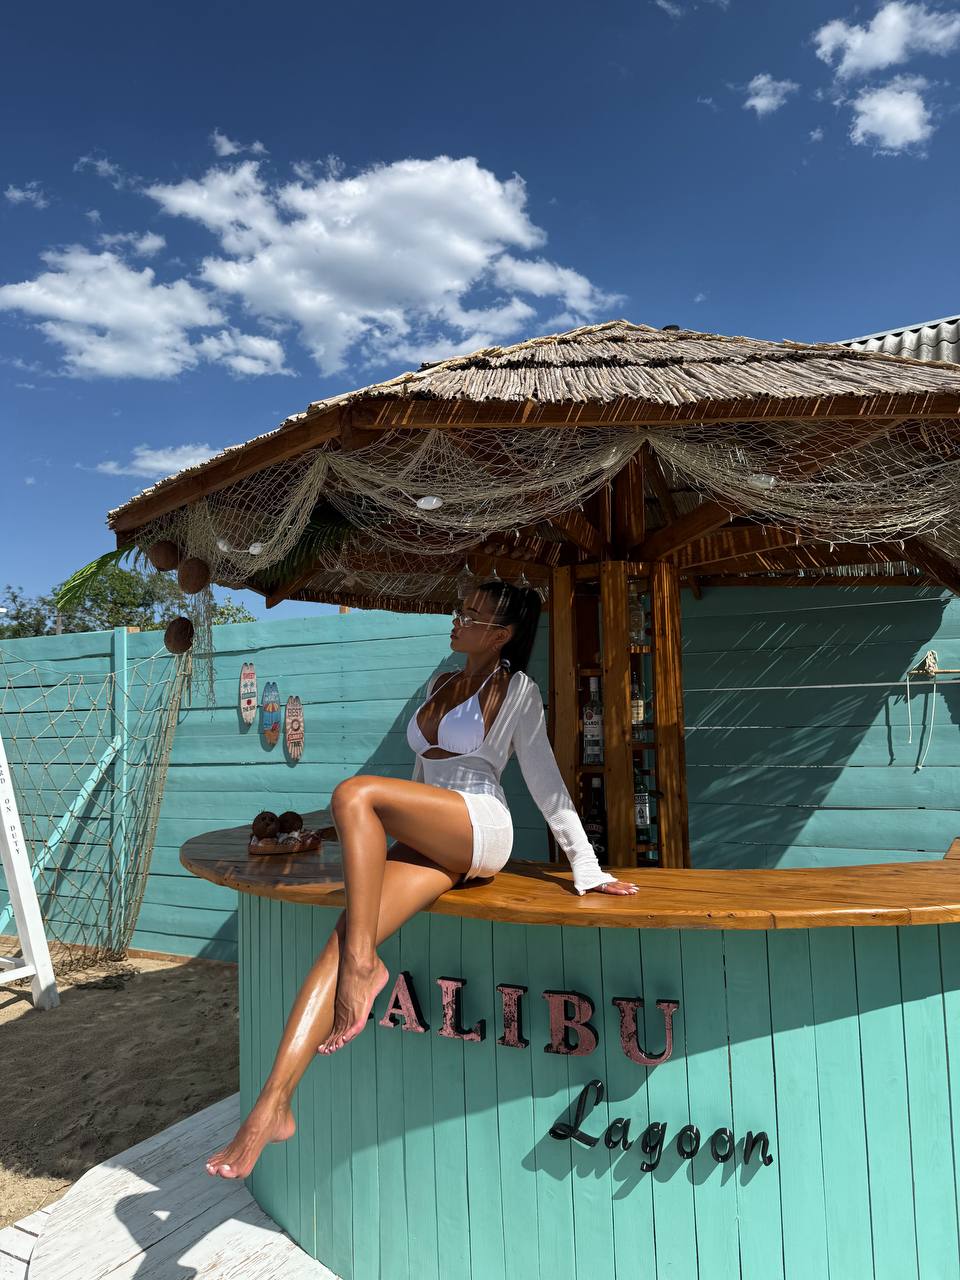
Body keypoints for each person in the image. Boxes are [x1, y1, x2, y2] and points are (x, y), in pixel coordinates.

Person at [205, 578, 638, 1179]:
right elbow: (417, 782)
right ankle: (272, 1107)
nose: (457, 618)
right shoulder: (440, 685)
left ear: (502, 634)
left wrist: (586, 867)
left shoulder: (517, 690)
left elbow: (545, 780)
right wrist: (367, 840)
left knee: (353, 794)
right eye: (461, 609)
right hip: (434, 832)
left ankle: (365, 967)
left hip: (480, 826)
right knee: (340, 943)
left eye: (472, 614)